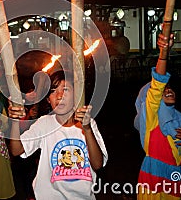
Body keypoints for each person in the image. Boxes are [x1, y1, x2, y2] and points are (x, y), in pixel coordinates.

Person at [8, 70, 108, 200]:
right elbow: (16, 150)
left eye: (65, 89)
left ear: (77, 94)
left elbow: (97, 164)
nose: (59, 96)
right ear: (48, 100)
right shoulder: (44, 124)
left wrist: (87, 129)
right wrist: (14, 121)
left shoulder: (89, 123)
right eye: (53, 91)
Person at [134, 34, 181, 199]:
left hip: (175, 178)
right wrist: (163, 53)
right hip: (153, 179)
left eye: (170, 87)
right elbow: (157, 83)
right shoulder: (152, 120)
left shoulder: (178, 120)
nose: (168, 90)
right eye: (162, 90)